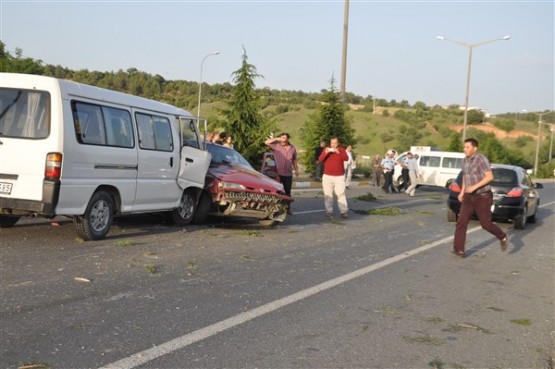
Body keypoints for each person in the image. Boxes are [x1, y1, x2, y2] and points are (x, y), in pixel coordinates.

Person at [453, 138, 508, 258]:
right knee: (461, 222)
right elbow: (465, 177)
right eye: (464, 147)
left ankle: (502, 236)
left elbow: (489, 177)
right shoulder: (464, 161)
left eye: (467, 147)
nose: (465, 149)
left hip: (483, 197)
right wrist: (462, 192)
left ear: (475, 148)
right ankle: (459, 250)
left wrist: (473, 187)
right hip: (468, 197)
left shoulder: (481, 159)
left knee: (486, 224)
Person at [264, 133, 299, 214]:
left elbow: (294, 160)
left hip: (288, 173)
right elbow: (266, 142)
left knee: (287, 192)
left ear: (287, 139)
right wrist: (277, 139)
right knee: (276, 192)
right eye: (282, 138)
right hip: (277, 174)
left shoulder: (292, 148)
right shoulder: (276, 146)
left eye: (285, 138)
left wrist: (296, 170)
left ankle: (287, 209)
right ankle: (274, 209)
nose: (283, 139)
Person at [318, 137, 349, 219]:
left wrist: (338, 152)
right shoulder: (326, 149)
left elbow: (346, 158)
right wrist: (325, 153)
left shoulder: (341, 150)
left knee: (341, 193)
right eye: (332, 143)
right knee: (328, 194)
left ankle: (344, 211)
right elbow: (320, 159)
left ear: (338, 143)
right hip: (327, 176)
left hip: (339, 176)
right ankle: (329, 211)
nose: (333, 145)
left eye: (335, 143)